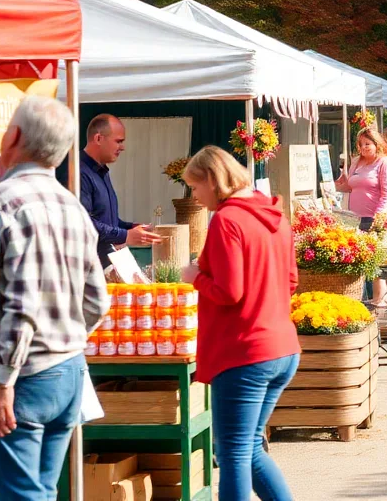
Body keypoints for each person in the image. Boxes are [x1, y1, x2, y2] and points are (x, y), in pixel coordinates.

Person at [0, 97, 109, 501]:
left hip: (18, 378)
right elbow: (97, 301)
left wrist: (3, 382)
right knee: (42, 492)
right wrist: (64, 337)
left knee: (21, 496)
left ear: (13, 136)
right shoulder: (73, 207)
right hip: (68, 372)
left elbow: (17, 305)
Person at [181, 146, 300, 501]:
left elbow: (230, 291)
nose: (196, 198)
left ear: (212, 180)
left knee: (232, 452)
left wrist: (194, 277)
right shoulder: (275, 216)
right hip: (281, 347)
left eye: (196, 188)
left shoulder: (228, 220)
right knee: (248, 449)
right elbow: (291, 281)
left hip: (243, 352)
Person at [74, 113, 162, 263]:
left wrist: (131, 227)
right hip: (87, 267)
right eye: (118, 141)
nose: (123, 147)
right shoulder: (77, 172)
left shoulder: (101, 171)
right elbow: (81, 223)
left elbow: (106, 220)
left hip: (104, 263)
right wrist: (125, 235)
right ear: (98, 138)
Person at [336, 127, 387, 229]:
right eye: (361, 144)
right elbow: (350, 187)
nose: (363, 147)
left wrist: (378, 218)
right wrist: (332, 186)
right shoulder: (356, 162)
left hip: (373, 219)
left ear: (376, 144)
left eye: (367, 144)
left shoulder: (384, 163)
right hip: (352, 219)